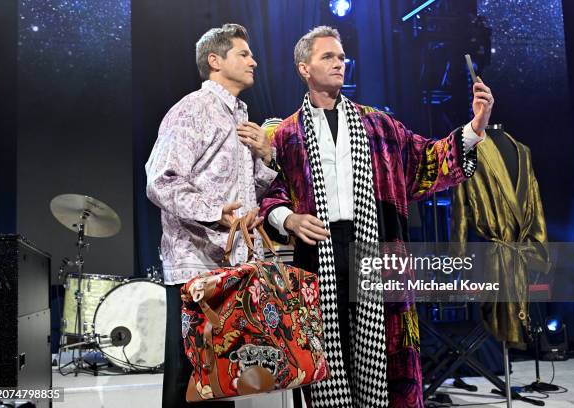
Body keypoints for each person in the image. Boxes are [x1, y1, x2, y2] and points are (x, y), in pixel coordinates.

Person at [259, 26, 494, 408]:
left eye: (341, 57)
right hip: (317, 255)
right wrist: (289, 220)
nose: (340, 63)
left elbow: (427, 159)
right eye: (328, 57)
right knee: (326, 363)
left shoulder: (377, 126)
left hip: (375, 250)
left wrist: (475, 128)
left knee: (385, 358)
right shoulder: (285, 134)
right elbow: (270, 193)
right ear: (304, 68)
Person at [145, 23, 277, 407]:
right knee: (189, 380)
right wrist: (214, 212)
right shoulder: (193, 109)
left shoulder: (240, 116)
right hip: (195, 268)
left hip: (230, 266)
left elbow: (247, 192)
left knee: (222, 379)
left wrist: (266, 159)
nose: (254, 60)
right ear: (215, 61)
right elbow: (161, 180)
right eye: (243, 54)